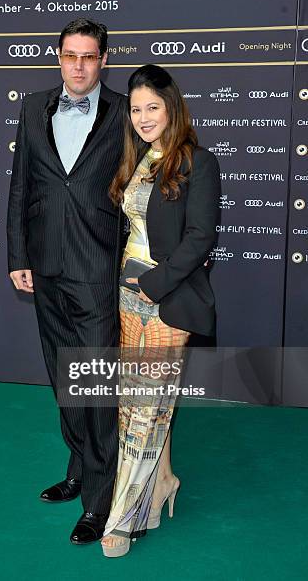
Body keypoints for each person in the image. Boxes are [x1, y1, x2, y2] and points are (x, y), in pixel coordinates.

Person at [6, 18, 126, 545]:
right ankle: (79, 471)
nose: (79, 66)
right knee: (65, 382)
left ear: (103, 60)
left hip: (99, 270)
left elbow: (146, 192)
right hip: (46, 270)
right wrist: (18, 255)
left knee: (96, 387)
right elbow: (20, 188)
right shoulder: (33, 107)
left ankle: (101, 499)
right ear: (58, 57)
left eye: (90, 56)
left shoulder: (126, 112)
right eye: (70, 55)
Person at [101, 64, 221, 557]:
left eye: (153, 107)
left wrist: (153, 284)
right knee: (141, 404)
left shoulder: (197, 162)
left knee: (144, 410)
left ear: (172, 108)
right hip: (128, 297)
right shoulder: (141, 159)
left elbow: (200, 240)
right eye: (136, 109)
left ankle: (123, 517)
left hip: (167, 300)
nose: (144, 116)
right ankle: (163, 481)